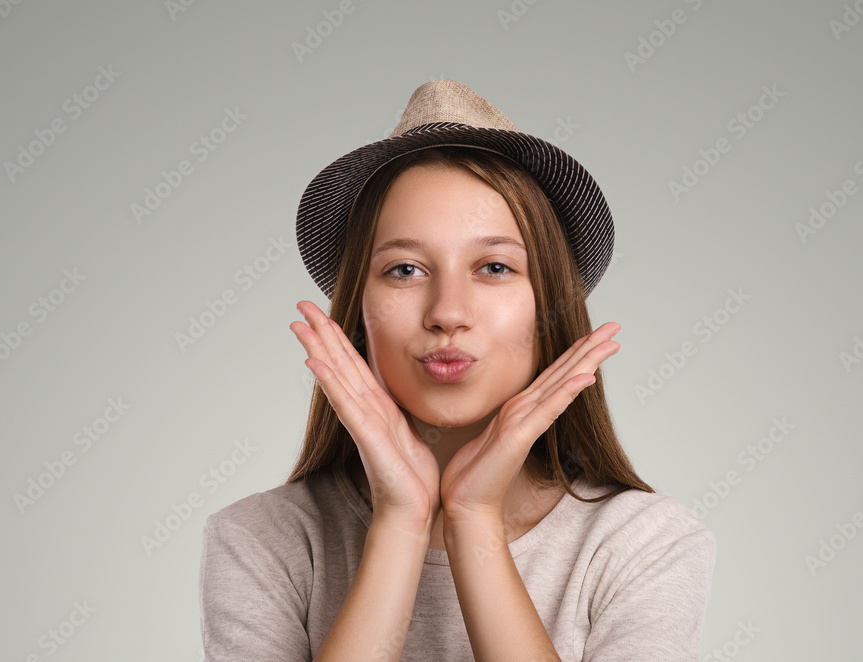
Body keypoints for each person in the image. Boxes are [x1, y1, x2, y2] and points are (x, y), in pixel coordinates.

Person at [198, 79, 716, 661]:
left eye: (494, 267)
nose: (447, 313)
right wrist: (400, 522)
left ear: (550, 306)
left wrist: (474, 521)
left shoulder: (642, 544)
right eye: (404, 270)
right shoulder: (260, 540)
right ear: (358, 311)